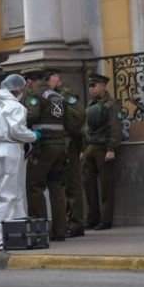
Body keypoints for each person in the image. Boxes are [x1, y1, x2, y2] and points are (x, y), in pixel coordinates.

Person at [0, 74, 40, 251]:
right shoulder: (15, 106)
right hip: (8, 150)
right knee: (7, 196)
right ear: (17, 90)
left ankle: (17, 234)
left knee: (11, 193)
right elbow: (17, 131)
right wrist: (33, 136)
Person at [23, 68, 73, 241]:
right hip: (60, 146)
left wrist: (19, 122)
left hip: (43, 147)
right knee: (56, 186)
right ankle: (59, 231)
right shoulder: (58, 96)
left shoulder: (35, 95)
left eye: (27, 82)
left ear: (31, 81)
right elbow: (70, 123)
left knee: (34, 186)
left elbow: (32, 115)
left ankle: (40, 231)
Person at [82, 71, 122, 231]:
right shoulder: (91, 105)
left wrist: (111, 148)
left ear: (103, 86)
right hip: (90, 147)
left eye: (94, 86)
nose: (91, 89)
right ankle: (92, 218)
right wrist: (82, 149)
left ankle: (105, 220)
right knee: (88, 185)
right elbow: (85, 128)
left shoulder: (111, 105)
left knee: (106, 185)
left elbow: (115, 128)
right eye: (90, 86)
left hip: (103, 148)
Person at [55, 77, 87, 238]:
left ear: (57, 78)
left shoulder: (65, 94)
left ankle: (76, 224)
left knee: (72, 185)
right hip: (61, 145)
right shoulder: (53, 94)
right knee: (63, 185)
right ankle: (68, 222)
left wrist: (69, 133)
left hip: (70, 144)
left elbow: (80, 114)